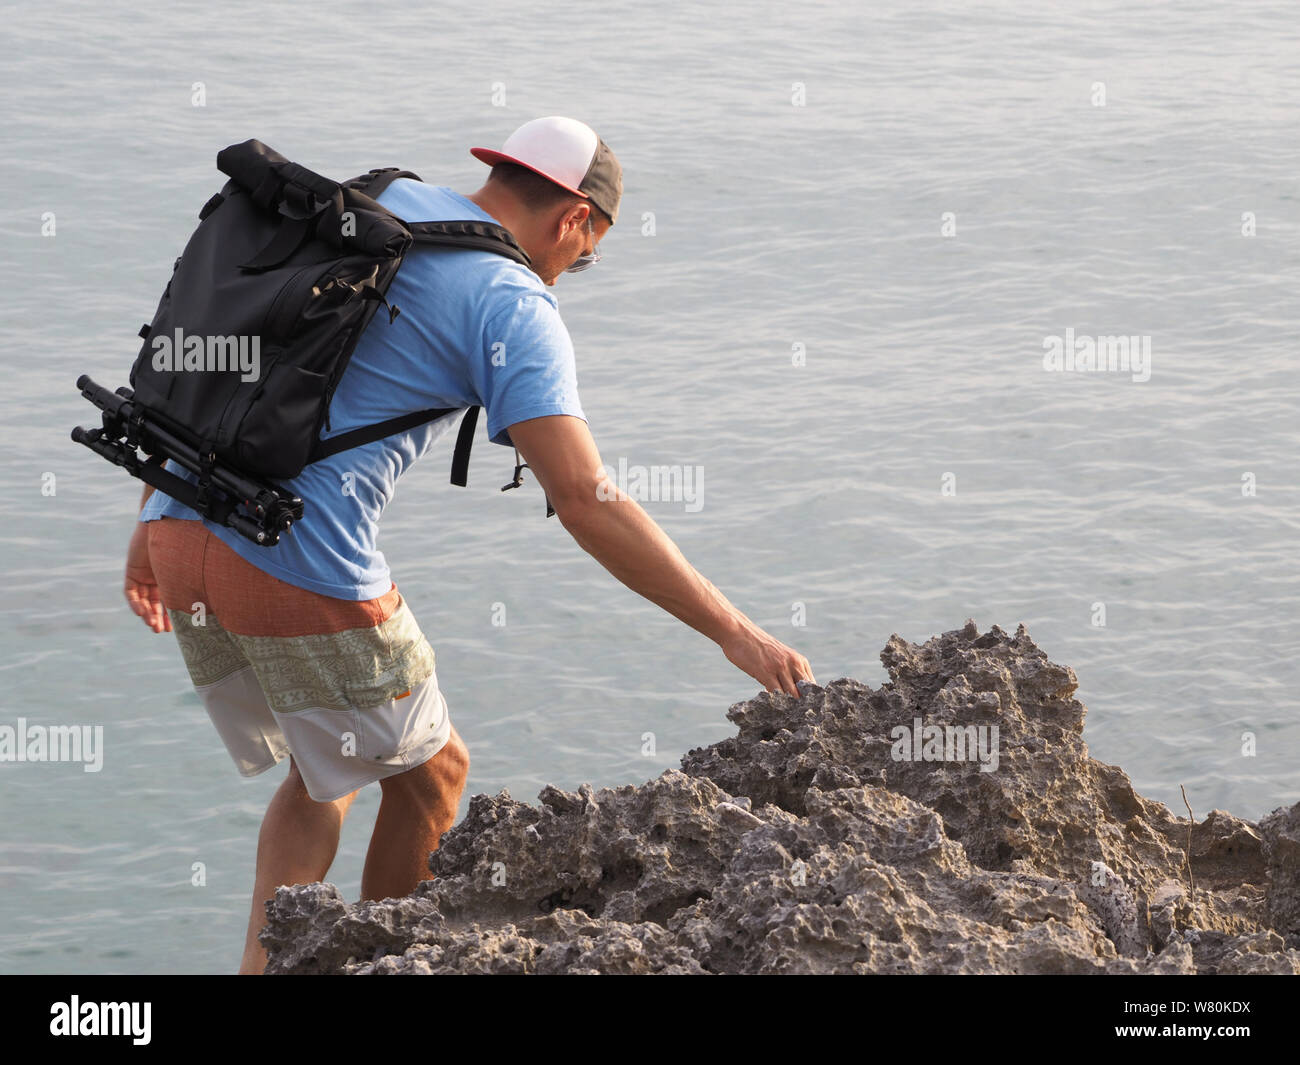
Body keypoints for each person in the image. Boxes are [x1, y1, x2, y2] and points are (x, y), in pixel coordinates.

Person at [124, 116, 815, 974]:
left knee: (326, 765)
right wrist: (734, 631)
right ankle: (384, 964)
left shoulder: (376, 198)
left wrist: (149, 527)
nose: (576, 271)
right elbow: (587, 501)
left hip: (179, 525)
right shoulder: (511, 301)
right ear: (573, 221)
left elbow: (234, 362)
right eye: (589, 254)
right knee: (435, 772)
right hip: (288, 557)